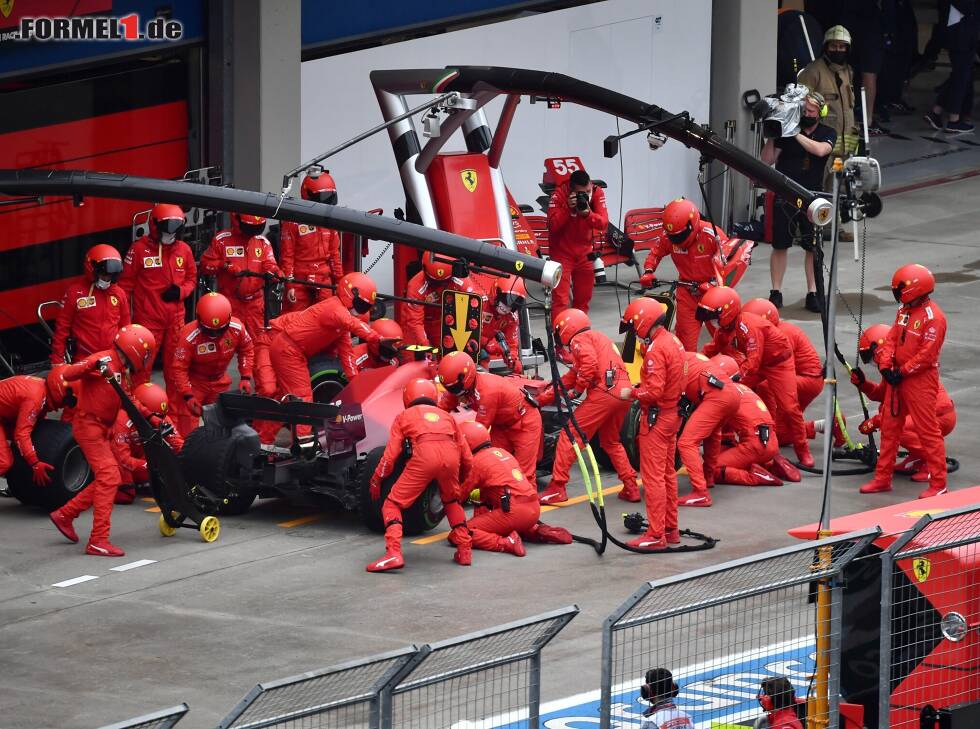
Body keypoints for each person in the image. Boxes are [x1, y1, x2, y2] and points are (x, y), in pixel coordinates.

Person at [49, 325, 156, 557]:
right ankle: (98, 540)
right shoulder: (103, 360)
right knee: (109, 476)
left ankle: (65, 514)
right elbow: (67, 374)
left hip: (101, 428)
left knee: (110, 478)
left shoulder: (121, 368)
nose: (147, 359)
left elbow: (126, 398)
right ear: (136, 350)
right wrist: (92, 365)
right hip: (89, 426)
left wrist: (149, 416)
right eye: (145, 354)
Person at [858, 268, 948, 498]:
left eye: (899, 289)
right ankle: (882, 478)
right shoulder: (904, 311)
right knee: (889, 430)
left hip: (920, 380)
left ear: (912, 289)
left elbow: (927, 355)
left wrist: (903, 371)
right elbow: (890, 340)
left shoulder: (934, 318)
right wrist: (887, 367)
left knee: (927, 431)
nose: (896, 294)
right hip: (899, 377)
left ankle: (938, 484)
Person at [699, 287, 814, 467]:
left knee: (790, 407)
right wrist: (695, 362)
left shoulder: (748, 326)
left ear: (726, 311)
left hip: (778, 364)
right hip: (759, 363)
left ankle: (803, 450)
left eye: (714, 315)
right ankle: (727, 438)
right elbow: (710, 349)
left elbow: (752, 362)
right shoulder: (724, 330)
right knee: (726, 394)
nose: (711, 321)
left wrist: (735, 378)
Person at [366, 378, 472, 572]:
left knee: (392, 504)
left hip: (424, 457)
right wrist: (462, 479)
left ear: (408, 397)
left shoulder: (404, 416)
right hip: (451, 458)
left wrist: (376, 479)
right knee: (451, 501)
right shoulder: (447, 416)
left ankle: (393, 553)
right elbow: (467, 458)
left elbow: (390, 457)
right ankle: (464, 550)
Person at [536, 308, 639, 505]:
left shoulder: (579, 340)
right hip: (624, 393)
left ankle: (557, 487)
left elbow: (588, 367)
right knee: (611, 442)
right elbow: (571, 377)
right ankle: (631, 486)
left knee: (569, 436)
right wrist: (543, 398)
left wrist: (577, 391)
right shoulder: (598, 338)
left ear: (566, 327)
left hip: (605, 393)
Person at [269, 273, 380, 446]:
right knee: (302, 396)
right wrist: (377, 339)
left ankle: (263, 439)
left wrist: (356, 385)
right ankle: (304, 446)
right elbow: (352, 324)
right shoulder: (334, 309)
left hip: (292, 350)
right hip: (288, 350)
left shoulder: (341, 324)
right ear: (350, 294)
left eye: (366, 307)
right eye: (361, 305)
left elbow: (347, 354)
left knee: (282, 399)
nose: (361, 310)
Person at [850, 323, 956, 483]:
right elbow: (881, 394)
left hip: (940, 415)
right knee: (895, 424)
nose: (870, 362)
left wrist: (876, 421)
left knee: (898, 428)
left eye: (869, 357)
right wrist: (863, 384)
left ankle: (931, 462)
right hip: (935, 414)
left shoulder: (901, 369)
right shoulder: (891, 368)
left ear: (879, 349)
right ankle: (917, 458)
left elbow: (895, 409)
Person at [761, 92, 837, 313]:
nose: (806, 114)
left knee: (812, 247)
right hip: (784, 195)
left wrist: (793, 132)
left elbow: (820, 150)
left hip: (812, 197)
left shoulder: (827, 132)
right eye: (804, 111)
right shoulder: (787, 132)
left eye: (811, 112)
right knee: (780, 245)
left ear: (820, 113)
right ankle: (776, 291)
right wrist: (773, 135)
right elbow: (767, 161)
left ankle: (813, 292)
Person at [456, 421, 573, 556]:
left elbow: (457, 496)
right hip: (533, 509)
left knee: (460, 534)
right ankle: (537, 531)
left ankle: (506, 543)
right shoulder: (501, 452)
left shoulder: (476, 462)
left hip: (514, 512)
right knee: (489, 510)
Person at [625, 298, 686, 550]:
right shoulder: (673, 341)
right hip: (672, 416)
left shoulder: (656, 350)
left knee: (653, 479)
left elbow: (653, 392)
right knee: (667, 474)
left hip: (657, 419)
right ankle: (670, 530)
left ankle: (655, 535)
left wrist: (631, 393)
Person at [437, 351, 543, 482]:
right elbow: (442, 407)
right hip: (501, 425)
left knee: (523, 475)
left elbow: (479, 430)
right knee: (494, 467)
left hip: (524, 422)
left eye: (455, 387)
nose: (453, 391)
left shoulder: (488, 391)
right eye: (450, 387)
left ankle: (526, 501)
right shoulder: (459, 385)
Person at [639, 198, 724, 350]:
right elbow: (655, 252)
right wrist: (648, 271)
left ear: (693, 224)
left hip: (715, 295)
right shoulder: (668, 236)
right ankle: (688, 372)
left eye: (679, 235)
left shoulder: (712, 234)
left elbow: (729, 263)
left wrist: (714, 285)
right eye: (673, 236)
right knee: (685, 345)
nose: (676, 240)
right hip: (687, 293)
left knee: (725, 340)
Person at [118, 204, 197, 367]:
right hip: (147, 322)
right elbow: (124, 287)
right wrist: (124, 323)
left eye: (175, 228)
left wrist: (181, 292)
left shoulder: (184, 250)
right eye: (168, 228)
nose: (171, 233)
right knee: (141, 367)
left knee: (176, 368)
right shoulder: (139, 249)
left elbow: (192, 279)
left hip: (176, 321)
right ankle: (138, 394)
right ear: (155, 225)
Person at [167, 293, 255, 437]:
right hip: (195, 383)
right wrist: (187, 395)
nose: (215, 333)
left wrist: (245, 376)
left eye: (220, 329)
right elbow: (178, 368)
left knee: (222, 428)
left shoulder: (237, 328)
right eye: (209, 330)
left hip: (220, 381)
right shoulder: (188, 336)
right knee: (188, 431)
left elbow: (247, 349)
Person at [742, 299, 824, 445]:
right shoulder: (772, 332)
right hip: (803, 378)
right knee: (783, 435)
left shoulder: (782, 334)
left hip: (808, 380)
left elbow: (768, 371)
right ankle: (823, 425)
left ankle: (769, 425)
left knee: (765, 386)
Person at [199, 213, 281, 338]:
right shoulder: (222, 240)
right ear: (237, 220)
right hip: (229, 303)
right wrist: (225, 265)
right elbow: (205, 265)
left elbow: (270, 265)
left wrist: (273, 273)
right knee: (227, 343)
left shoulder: (262, 242)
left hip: (255, 305)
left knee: (259, 344)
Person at [675, 351, 739, 508]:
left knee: (686, 442)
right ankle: (708, 476)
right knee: (713, 434)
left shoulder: (671, 361)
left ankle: (700, 493)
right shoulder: (691, 356)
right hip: (733, 396)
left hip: (716, 397)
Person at [50, 244, 130, 365]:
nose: (107, 279)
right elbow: (62, 328)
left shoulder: (119, 294)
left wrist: (127, 356)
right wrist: (57, 360)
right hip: (83, 360)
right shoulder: (75, 293)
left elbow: (126, 329)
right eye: (104, 275)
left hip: (112, 359)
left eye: (110, 276)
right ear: (92, 269)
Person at [279, 171, 345, 313]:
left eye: (329, 196)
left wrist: (340, 283)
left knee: (326, 320)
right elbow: (287, 256)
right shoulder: (293, 220)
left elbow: (334, 255)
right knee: (295, 322)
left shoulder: (330, 221)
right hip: (299, 281)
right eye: (323, 197)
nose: (326, 201)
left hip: (324, 280)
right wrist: (289, 285)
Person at [109, 383, 184, 505]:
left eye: (161, 416)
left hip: (143, 460)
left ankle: (147, 481)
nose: (157, 420)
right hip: (119, 462)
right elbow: (122, 459)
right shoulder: (121, 420)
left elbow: (178, 444)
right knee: (125, 495)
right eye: (154, 416)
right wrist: (150, 465)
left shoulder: (161, 418)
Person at [547, 168, 608, 315]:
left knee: (583, 300)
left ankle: (580, 335)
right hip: (561, 254)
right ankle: (559, 337)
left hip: (585, 253)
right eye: (581, 193)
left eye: (587, 191)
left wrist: (588, 214)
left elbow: (603, 223)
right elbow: (552, 226)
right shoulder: (559, 194)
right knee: (560, 301)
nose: (586, 196)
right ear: (571, 190)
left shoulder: (597, 191)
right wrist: (568, 208)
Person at [400, 251, 484, 348]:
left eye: (443, 282)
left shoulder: (461, 281)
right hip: (415, 323)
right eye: (434, 282)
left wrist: (473, 331)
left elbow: (474, 304)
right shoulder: (415, 286)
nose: (438, 285)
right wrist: (424, 344)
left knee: (447, 350)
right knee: (414, 354)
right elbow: (414, 321)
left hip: (441, 321)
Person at [923, 1, 978, 134]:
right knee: (961, 75)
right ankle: (954, 119)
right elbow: (969, 8)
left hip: (957, 31)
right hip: (962, 33)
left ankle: (937, 111)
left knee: (960, 75)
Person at [0, 373, 64, 486]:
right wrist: (34, 463)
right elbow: (21, 435)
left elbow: (35, 422)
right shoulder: (35, 398)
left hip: (4, 414)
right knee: (4, 462)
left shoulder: (41, 388)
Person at [479, 276, 525, 374]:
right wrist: (487, 343)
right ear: (496, 293)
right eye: (507, 300)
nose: (508, 306)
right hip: (462, 345)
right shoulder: (479, 304)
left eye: (514, 303)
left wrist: (512, 358)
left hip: (481, 352)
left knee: (484, 362)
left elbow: (512, 343)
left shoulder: (511, 317)